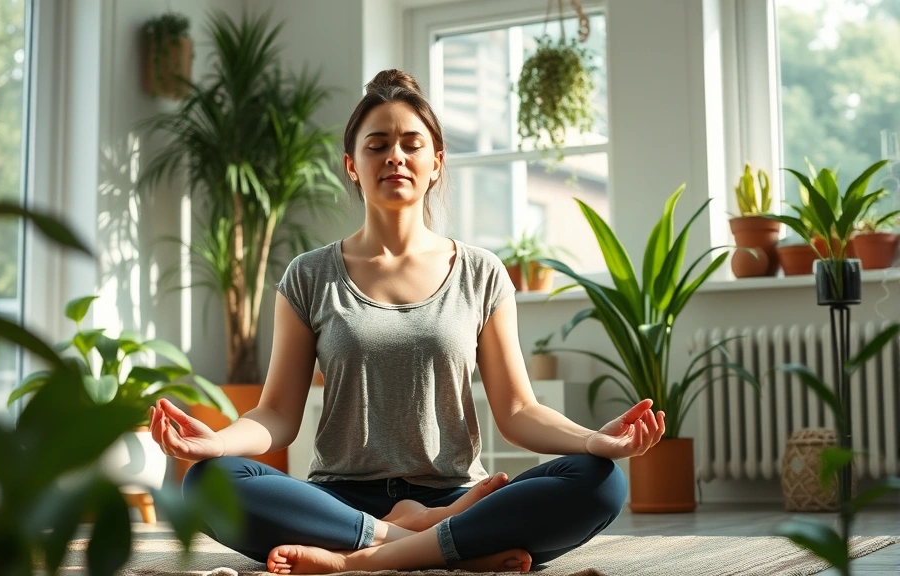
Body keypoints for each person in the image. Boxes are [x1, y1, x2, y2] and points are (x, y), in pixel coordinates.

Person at [149, 69, 666, 575]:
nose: (395, 155)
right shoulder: (309, 275)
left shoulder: (481, 272)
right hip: (340, 500)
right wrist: (216, 443)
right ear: (351, 164)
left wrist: (594, 441)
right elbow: (278, 414)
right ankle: (428, 541)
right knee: (208, 482)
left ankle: (367, 559)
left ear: (436, 163)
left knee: (603, 482)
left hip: (459, 494)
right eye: (377, 144)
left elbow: (518, 410)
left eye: (411, 144)